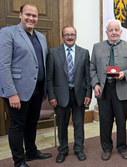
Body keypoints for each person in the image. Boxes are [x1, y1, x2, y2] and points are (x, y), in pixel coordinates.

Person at [0, 4, 52, 167]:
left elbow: (41, 63)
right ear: (20, 15)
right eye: (28, 14)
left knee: (32, 123)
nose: (31, 18)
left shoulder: (41, 37)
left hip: (37, 90)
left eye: (34, 16)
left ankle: (31, 152)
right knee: (17, 126)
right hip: (17, 91)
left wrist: (44, 89)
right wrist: (11, 93)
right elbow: (3, 65)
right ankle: (19, 161)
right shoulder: (7, 33)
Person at [90, 19, 127, 161]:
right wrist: (95, 84)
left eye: (116, 30)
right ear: (106, 32)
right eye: (111, 30)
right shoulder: (97, 47)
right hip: (104, 90)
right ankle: (106, 148)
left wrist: (125, 74)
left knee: (121, 121)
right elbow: (92, 68)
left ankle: (122, 147)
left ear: (121, 31)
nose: (114, 32)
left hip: (122, 89)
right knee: (105, 121)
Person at [47, 25, 92, 163]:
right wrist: (52, 96)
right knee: (62, 124)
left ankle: (79, 149)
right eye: (66, 34)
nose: (69, 37)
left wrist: (88, 94)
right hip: (60, 96)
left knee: (79, 124)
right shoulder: (53, 52)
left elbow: (87, 76)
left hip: (79, 94)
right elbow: (50, 77)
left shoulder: (84, 52)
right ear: (62, 36)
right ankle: (63, 150)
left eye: (72, 34)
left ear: (76, 36)